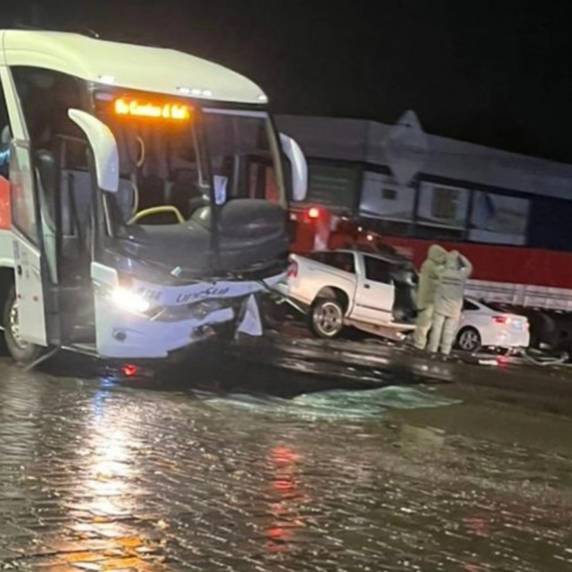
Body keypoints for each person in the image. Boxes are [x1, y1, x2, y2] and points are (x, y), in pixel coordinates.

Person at [428, 250, 473, 356]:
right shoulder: (461, 274)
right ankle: (445, 351)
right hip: (454, 308)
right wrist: (461, 256)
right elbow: (469, 266)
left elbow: (434, 265)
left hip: (440, 305)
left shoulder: (441, 272)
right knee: (449, 331)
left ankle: (432, 349)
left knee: (436, 329)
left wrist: (444, 258)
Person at [413, 244, 447, 350]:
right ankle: (419, 346)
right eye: (441, 255)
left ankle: (422, 345)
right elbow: (444, 275)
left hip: (429, 300)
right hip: (428, 301)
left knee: (426, 325)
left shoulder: (429, 264)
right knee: (424, 325)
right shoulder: (431, 265)